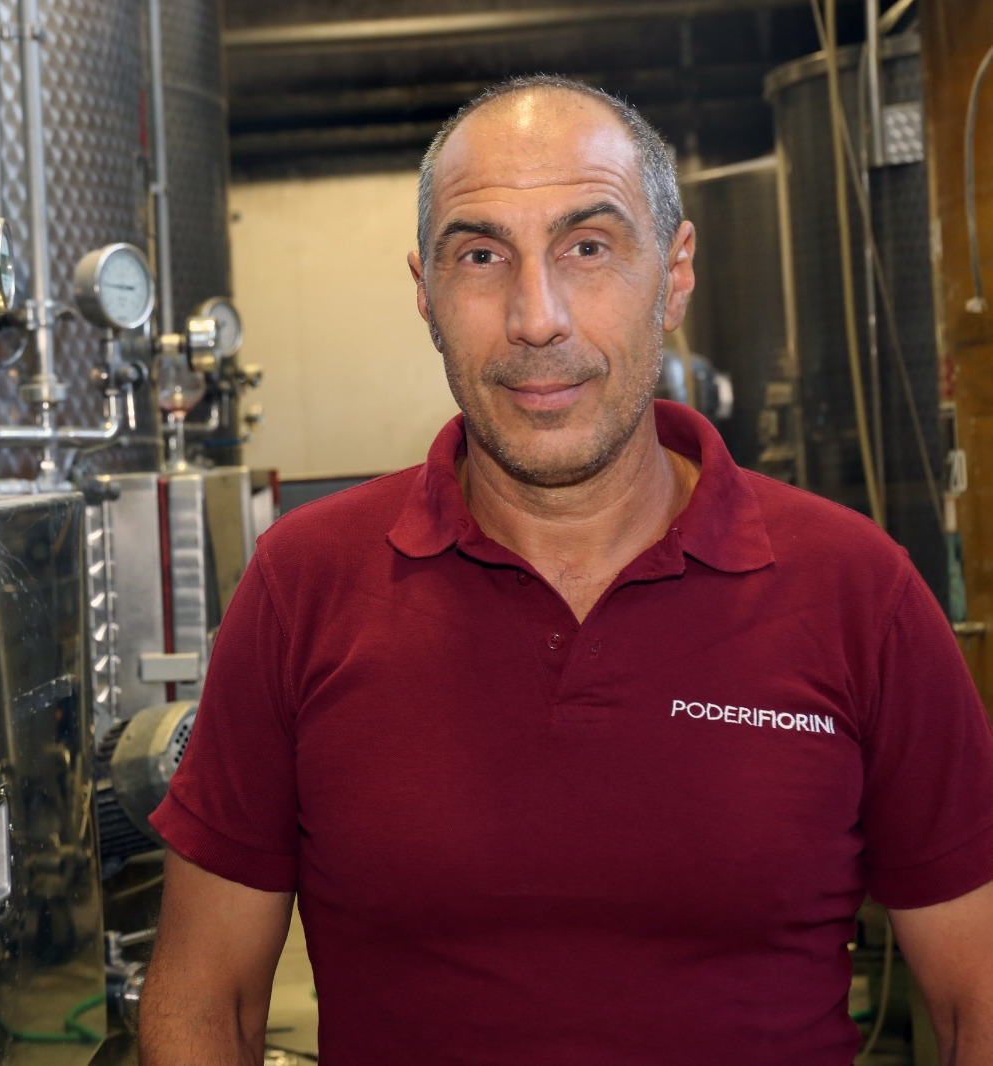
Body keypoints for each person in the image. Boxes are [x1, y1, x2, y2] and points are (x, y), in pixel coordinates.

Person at [139, 75, 993, 1065]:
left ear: (675, 274)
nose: (536, 318)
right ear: (424, 291)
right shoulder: (304, 584)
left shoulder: (857, 590)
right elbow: (205, 1002)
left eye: (588, 247)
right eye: (480, 256)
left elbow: (975, 998)